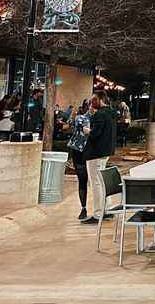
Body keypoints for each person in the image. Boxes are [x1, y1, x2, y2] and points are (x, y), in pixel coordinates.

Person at [81, 94, 116, 224]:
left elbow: (95, 133)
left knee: (96, 183)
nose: (91, 102)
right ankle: (106, 210)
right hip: (105, 152)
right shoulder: (111, 113)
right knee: (101, 181)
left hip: (95, 153)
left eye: (94, 99)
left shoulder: (100, 114)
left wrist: (87, 131)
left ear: (101, 100)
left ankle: (98, 213)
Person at [63, 101, 91, 220]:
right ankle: (89, 208)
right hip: (86, 150)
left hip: (77, 149)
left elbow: (65, 127)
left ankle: (83, 208)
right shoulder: (89, 119)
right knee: (88, 180)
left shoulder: (78, 117)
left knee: (82, 180)